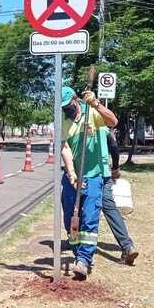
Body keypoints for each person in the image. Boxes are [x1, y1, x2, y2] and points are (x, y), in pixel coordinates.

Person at [60, 86, 118, 279]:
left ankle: (84, 260)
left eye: (68, 106)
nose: (67, 111)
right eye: (63, 108)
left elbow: (113, 121)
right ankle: (77, 253)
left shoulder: (91, 113)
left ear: (76, 100)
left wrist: (96, 104)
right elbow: (65, 148)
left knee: (90, 216)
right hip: (73, 175)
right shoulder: (63, 122)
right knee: (70, 216)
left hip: (93, 174)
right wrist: (71, 173)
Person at [102, 129, 138, 264]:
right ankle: (127, 246)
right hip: (105, 174)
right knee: (111, 210)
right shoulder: (104, 129)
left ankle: (79, 248)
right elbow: (114, 148)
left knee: (85, 209)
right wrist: (115, 168)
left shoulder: (78, 126)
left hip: (88, 177)